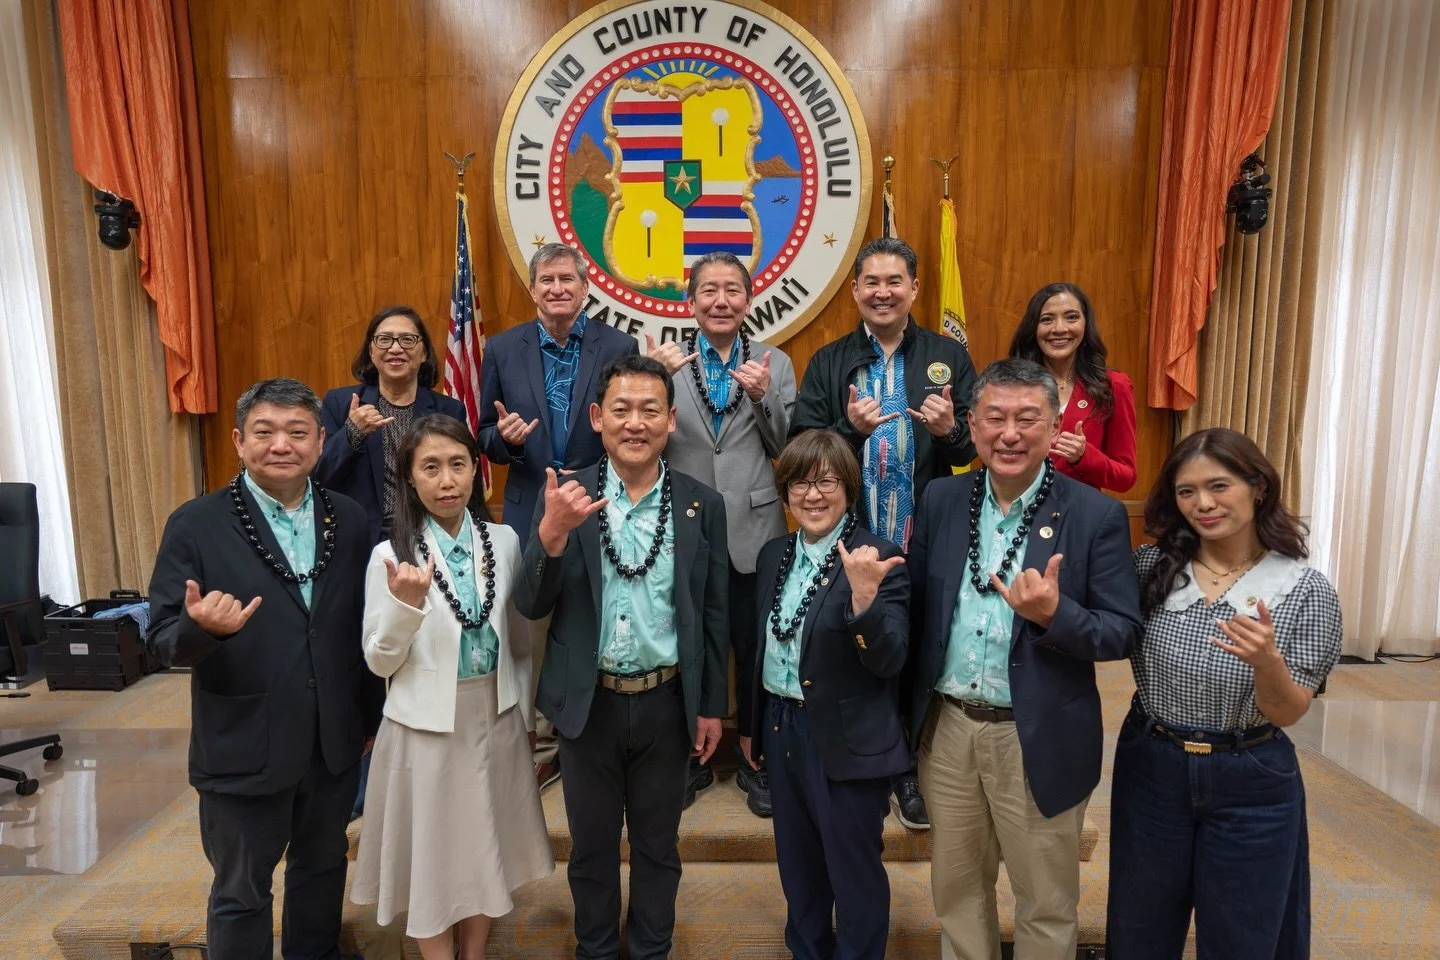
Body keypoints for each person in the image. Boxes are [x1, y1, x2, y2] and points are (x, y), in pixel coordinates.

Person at [907, 358, 1141, 960]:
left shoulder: (1095, 516)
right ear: (973, 424)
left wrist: (1054, 616)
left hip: (1038, 735)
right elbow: (919, 609)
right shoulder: (941, 497)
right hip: (950, 729)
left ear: (1055, 423)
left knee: (1045, 901)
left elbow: (1122, 632)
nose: (1010, 434)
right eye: (994, 418)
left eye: (1027, 419)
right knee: (957, 893)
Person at [148, 378, 381, 960]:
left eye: (298, 432)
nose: (282, 444)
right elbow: (161, 640)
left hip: (332, 740)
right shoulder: (196, 524)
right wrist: (202, 628)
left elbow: (362, 626)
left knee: (321, 872)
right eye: (265, 432)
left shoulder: (349, 519)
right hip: (244, 743)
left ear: (320, 440)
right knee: (242, 890)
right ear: (238, 441)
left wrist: (368, 716)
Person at [514, 354, 729, 960]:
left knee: (660, 847)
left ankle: (651, 949)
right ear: (597, 417)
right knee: (591, 848)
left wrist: (711, 705)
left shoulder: (699, 503)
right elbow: (531, 603)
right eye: (621, 409)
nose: (635, 423)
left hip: (666, 704)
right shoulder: (566, 494)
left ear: (671, 420)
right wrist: (551, 538)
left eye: (650, 410)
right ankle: (598, 949)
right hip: (590, 705)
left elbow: (713, 616)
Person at [1107, 428, 1342, 959]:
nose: (1203, 504)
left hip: (1252, 776)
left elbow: (1286, 711)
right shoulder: (1152, 569)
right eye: (1186, 491)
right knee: (1139, 926)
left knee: (1244, 935)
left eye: (1219, 485)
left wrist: (1268, 663)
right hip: (1151, 765)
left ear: (1258, 487)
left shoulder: (1303, 591)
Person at [791, 236, 979, 831]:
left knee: (919, 643)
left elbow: (978, 449)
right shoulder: (829, 360)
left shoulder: (948, 356)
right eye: (870, 282)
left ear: (915, 288)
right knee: (864, 644)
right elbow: (801, 447)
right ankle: (874, 758)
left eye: (894, 281)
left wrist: (951, 434)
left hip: (927, 534)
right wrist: (847, 433)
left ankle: (908, 766)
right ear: (855, 291)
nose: (882, 292)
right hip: (857, 537)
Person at [350, 414, 552, 959]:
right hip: (427, 725)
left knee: (486, 844)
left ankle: (476, 950)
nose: (446, 481)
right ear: (410, 479)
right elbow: (378, 661)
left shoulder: (505, 541)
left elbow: (519, 642)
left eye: (458, 465)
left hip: (496, 713)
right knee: (433, 854)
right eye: (431, 468)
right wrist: (404, 608)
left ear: (476, 471)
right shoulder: (391, 555)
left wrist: (525, 716)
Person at [743, 429, 910, 960]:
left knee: (853, 877)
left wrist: (864, 600)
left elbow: (890, 660)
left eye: (826, 482)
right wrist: (754, 725)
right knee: (799, 871)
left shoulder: (879, 556)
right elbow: (759, 648)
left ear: (849, 488)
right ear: (785, 492)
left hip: (847, 739)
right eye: (799, 484)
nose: (812, 496)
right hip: (782, 726)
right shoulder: (773, 554)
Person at [477, 243, 639, 787]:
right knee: (536, 625)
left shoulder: (618, 345)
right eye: (546, 280)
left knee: (597, 610)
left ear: (585, 285)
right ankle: (546, 740)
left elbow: (626, 419)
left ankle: (591, 730)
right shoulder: (501, 349)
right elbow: (482, 435)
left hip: (600, 504)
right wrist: (504, 441)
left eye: (567, 279)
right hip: (531, 508)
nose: (557, 289)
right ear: (533, 289)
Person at [648, 250, 797, 817]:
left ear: (748, 300)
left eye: (732, 290)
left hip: (754, 526)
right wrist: (656, 379)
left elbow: (789, 447)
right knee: (689, 640)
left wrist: (761, 397)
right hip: (683, 523)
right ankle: (691, 752)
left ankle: (756, 757)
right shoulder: (664, 362)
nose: (720, 301)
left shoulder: (774, 363)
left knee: (753, 644)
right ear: (691, 302)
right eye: (708, 291)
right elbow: (639, 432)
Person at [316, 305, 469, 547]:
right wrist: (352, 434)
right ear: (371, 351)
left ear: (424, 353)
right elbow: (319, 477)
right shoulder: (340, 403)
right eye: (384, 340)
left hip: (430, 537)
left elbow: (463, 479)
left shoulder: (448, 410)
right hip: (359, 541)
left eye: (407, 340)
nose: (395, 348)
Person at [1008, 282, 1136, 491]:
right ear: (1033, 328)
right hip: (1018, 512)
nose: (1059, 329)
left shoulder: (1113, 386)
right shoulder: (1010, 384)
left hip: (1079, 516)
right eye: (1047, 319)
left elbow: (1125, 478)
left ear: (1086, 325)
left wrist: (1085, 457)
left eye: (1071, 317)